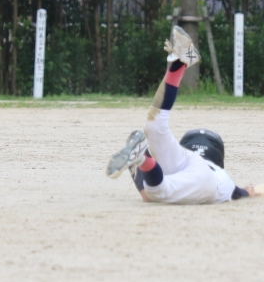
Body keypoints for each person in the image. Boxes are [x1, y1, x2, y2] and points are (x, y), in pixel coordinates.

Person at [105, 26, 253, 204]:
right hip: (206, 180)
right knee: (157, 192)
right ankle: (142, 158)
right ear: (219, 159)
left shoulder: (188, 159)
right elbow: (147, 196)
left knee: (154, 127)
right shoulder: (223, 178)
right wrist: (248, 192)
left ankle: (182, 62)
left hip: (185, 162)